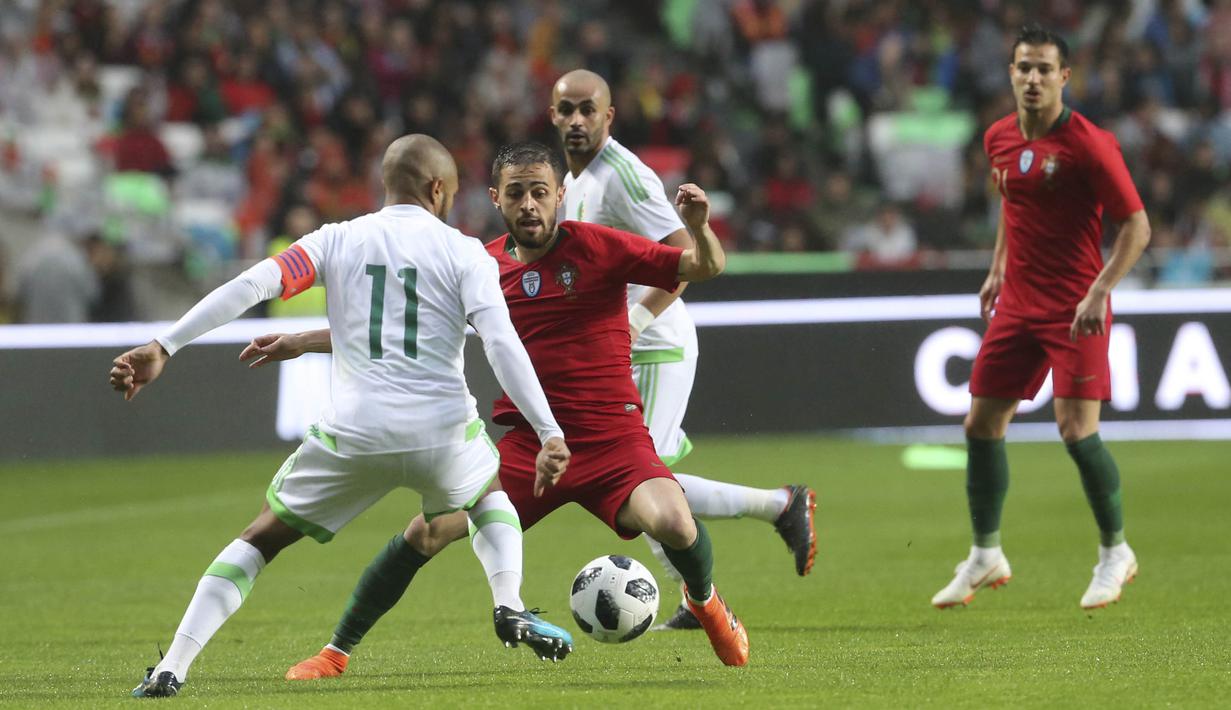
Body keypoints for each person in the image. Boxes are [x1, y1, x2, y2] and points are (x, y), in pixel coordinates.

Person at [111, 135, 575, 698]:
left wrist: (166, 344)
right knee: (489, 496)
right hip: (443, 433)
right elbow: (500, 342)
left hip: (356, 432)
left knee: (260, 538)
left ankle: (172, 667)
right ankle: (508, 604)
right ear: (437, 189)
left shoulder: (337, 240)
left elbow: (253, 284)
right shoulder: (465, 252)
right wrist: (549, 431)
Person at [268, 141, 750, 676]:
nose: (529, 204)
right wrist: (301, 341)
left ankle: (705, 603)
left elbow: (701, 267)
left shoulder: (599, 247)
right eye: (516, 193)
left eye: (540, 192)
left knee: (675, 524)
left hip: (613, 439)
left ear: (560, 195)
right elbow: (397, 328)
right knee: (426, 531)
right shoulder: (480, 263)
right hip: (529, 447)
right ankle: (336, 652)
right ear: (496, 198)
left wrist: (700, 227)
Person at [550, 69, 817, 630]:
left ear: (608, 116)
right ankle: (705, 585)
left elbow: (684, 256)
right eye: (566, 109)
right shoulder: (575, 182)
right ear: (553, 116)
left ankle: (776, 511)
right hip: (619, 350)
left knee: (642, 480)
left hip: (651, 345)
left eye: (587, 110)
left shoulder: (622, 175)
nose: (576, 120)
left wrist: (635, 323)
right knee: (640, 483)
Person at [931, 26, 1151, 611]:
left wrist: (1100, 290)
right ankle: (985, 555)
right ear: (1010, 73)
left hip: (1076, 306)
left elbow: (1137, 225)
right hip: (1019, 303)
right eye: (1024, 68)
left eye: (1044, 69)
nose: (1033, 78)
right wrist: (998, 266)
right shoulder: (999, 137)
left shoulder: (1089, 144)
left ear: (1064, 77)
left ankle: (1115, 552)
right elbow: (1012, 201)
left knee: (1077, 430)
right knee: (980, 424)